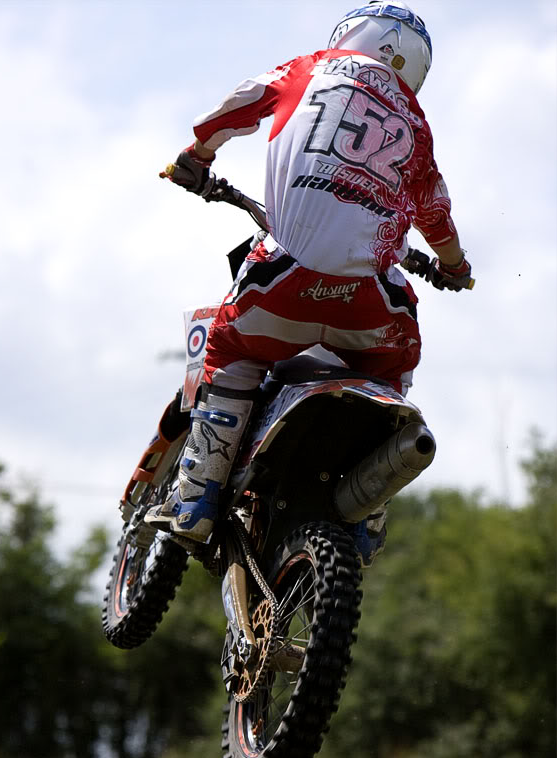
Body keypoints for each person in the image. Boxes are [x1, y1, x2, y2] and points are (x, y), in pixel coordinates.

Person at [146, 1, 472, 562]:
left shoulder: (310, 68)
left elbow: (236, 105)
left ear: (352, 35)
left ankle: (197, 496)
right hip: (367, 307)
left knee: (229, 346)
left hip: (284, 284)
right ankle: (367, 511)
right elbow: (436, 214)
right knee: (395, 362)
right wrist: (454, 267)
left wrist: (196, 155)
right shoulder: (416, 124)